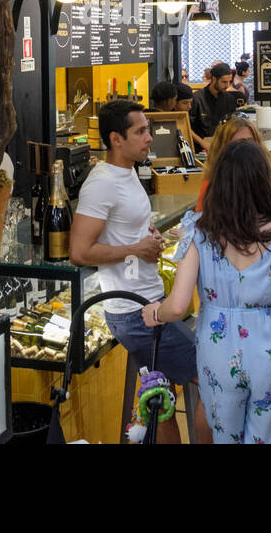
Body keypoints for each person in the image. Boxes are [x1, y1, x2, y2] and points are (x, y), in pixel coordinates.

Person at [70, 99, 209, 443]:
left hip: (148, 302)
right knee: (210, 376)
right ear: (116, 139)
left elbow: (126, 231)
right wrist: (135, 249)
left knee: (159, 395)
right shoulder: (101, 183)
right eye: (141, 131)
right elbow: (79, 251)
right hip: (133, 311)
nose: (150, 137)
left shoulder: (128, 171)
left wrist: (148, 239)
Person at [145, 139, 271, 443]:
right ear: (264, 182)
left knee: (224, 434)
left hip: (219, 354)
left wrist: (154, 313)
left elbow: (177, 306)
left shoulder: (199, 231)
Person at [195, 115, 271, 220]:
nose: (244, 150)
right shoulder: (211, 187)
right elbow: (202, 228)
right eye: (235, 144)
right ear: (222, 150)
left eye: (249, 142)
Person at [189, 63, 240, 148]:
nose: (227, 85)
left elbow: (232, 125)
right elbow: (186, 126)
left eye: (229, 82)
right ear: (214, 79)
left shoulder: (229, 99)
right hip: (200, 147)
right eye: (224, 82)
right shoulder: (197, 98)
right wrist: (202, 143)